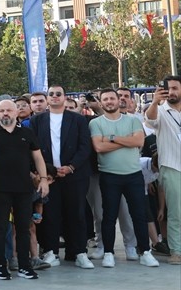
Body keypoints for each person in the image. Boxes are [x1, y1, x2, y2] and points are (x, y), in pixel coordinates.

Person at [0, 99, 52, 281]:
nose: (4, 114)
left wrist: (43, 180)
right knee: (0, 228)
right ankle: (0, 266)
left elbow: (38, 158)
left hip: (24, 189)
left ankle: (25, 266)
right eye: (1, 111)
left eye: (8, 110)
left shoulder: (27, 133)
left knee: (24, 227)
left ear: (16, 112)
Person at [89, 89, 159, 269]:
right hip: (109, 175)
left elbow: (138, 142)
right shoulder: (95, 123)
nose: (110, 101)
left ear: (118, 100)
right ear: (101, 102)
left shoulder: (133, 120)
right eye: (106, 99)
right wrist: (124, 141)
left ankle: (145, 252)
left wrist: (111, 138)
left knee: (139, 215)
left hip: (133, 175)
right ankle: (109, 253)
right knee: (109, 216)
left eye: (112, 98)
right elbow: (98, 147)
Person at [29, 84, 94, 269]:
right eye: (52, 94)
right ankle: (51, 251)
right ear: (47, 98)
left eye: (59, 94)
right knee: (50, 214)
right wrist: (48, 171)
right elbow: (34, 150)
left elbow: (84, 147)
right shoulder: (37, 121)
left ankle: (79, 252)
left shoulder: (78, 120)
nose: (55, 96)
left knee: (77, 213)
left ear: (65, 97)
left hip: (75, 175)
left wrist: (71, 167)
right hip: (49, 177)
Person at [145, 76, 181, 264]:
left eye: (175, 88)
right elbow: (150, 121)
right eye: (169, 89)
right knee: (176, 211)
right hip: (172, 165)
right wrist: (155, 102)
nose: (172, 92)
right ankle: (176, 251)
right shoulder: (160, 110)